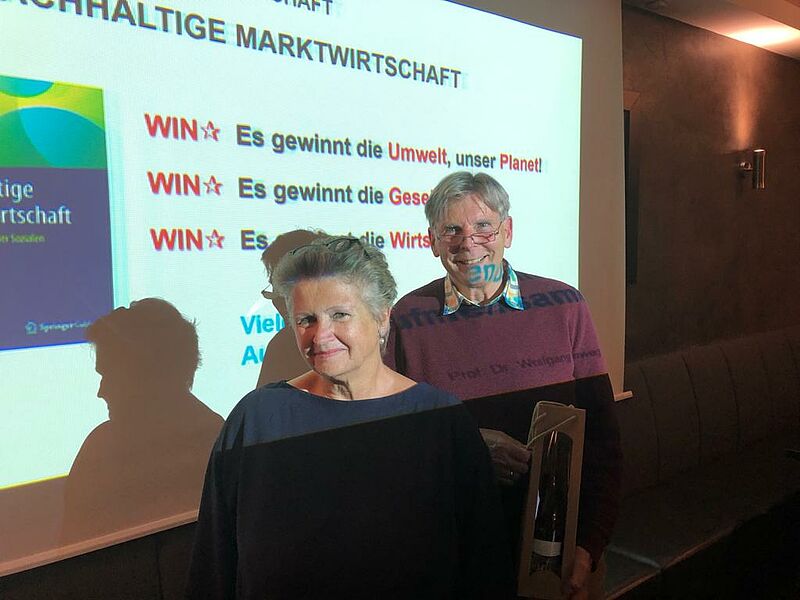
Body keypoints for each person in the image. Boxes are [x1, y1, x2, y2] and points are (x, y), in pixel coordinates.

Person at [187, 235, 514, 599]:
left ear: (382, 316)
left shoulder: (441, 421)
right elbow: (213, 567)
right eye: (306, 320)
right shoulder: (257, 420)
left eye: (339, 315)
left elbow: (485, 568)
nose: (320, 335)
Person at [385, 172, 622, 600]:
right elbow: (397, 447)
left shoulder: (564, 305)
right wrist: (469, 449)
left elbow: (603, 441)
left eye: (483, 227)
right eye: (451, 230)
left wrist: (589, 547)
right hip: (460, 559)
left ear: (507, 232)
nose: (468, 243)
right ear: (433, 241)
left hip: (560, 555)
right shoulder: (407, 318)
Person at [63, 298, 222, 543]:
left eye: (109, 375)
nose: (101, 391)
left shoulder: (102, 450)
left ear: (147, 374)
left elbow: (73, 545)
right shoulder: (220, 435)